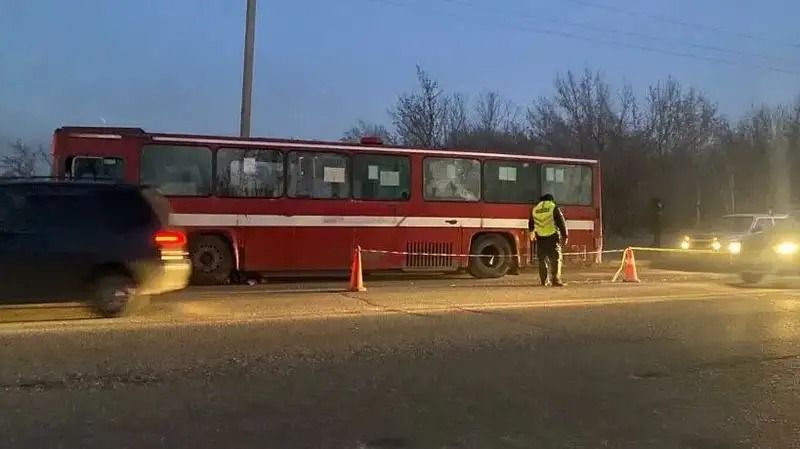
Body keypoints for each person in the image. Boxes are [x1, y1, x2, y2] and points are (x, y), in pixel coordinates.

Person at [529, 193, 569, 287]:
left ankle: (544, 281)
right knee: (555, 259)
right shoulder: (553, 207)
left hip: (540, 237)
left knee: (542, 259)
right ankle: (555, 280)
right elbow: (561, 222)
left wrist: (532, 233)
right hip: (552, 236)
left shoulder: (535, 209)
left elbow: (531, 223)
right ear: (550, 200)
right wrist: (565, 235)